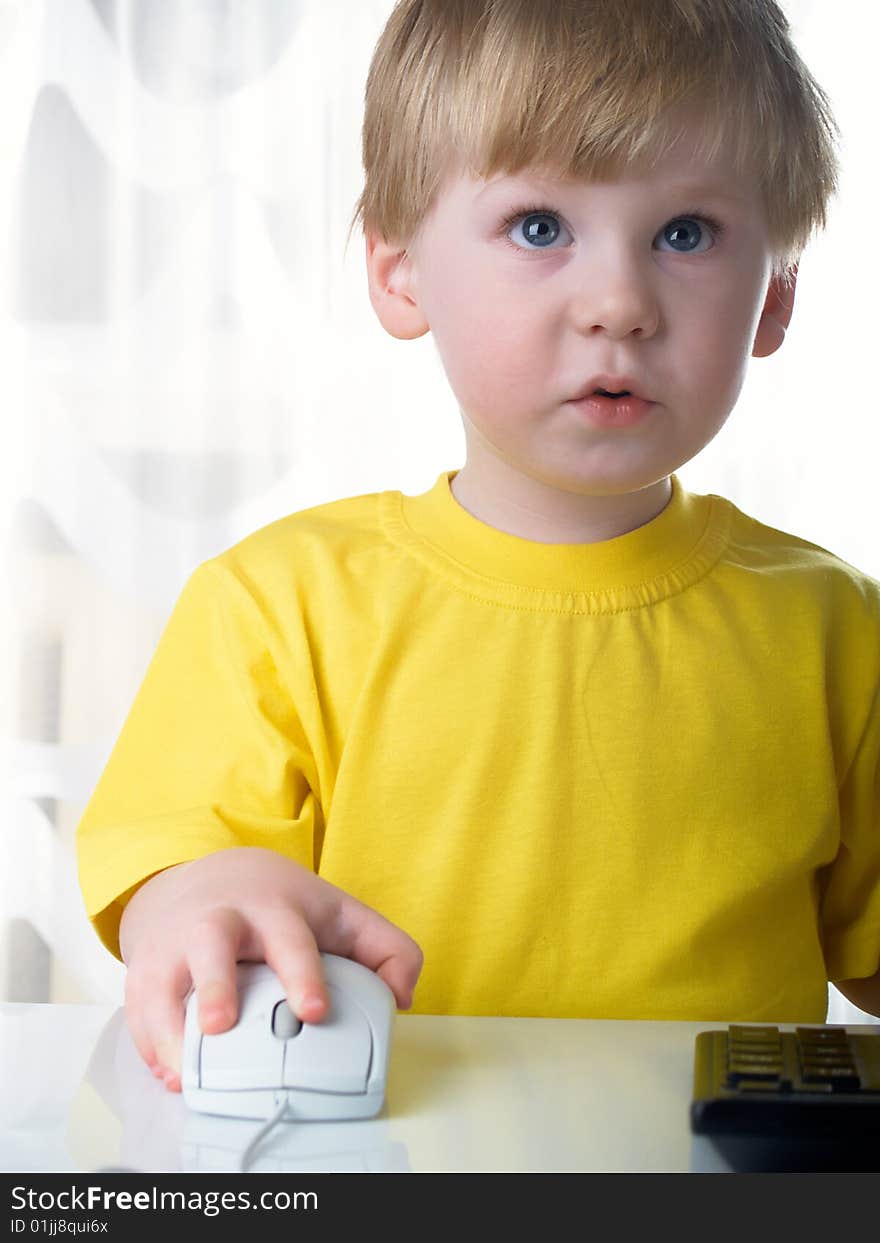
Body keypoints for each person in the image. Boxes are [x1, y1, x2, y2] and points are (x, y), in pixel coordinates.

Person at [76, 0, 880, 1094]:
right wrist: (203, 902)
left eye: (684, 233)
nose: (619, 304)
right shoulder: (279, 603)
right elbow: (172, 879)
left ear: (774, 296)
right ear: (400, 269)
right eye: (541, 226)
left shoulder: (834, 626)